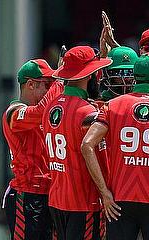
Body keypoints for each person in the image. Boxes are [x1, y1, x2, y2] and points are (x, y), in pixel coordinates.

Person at [81, 53, 149, 240]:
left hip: (120, 199)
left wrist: (104, 192)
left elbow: (87, 144)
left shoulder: (111, 106)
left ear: (134, 77)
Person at [42, 46, 112, 239]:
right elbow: (100, 159)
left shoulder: (50, 107)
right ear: (89, 74)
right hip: (84, 201)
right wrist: (106, 191)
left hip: (56, 200)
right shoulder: (88, 113)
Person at [2, 59, 63, 239]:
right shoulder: (13, 112)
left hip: (49, 193)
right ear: (30, 84)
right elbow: (38, 112)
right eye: (46, 84)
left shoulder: (45, 113)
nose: (49, 89)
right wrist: (60, 80)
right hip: (26, 195)